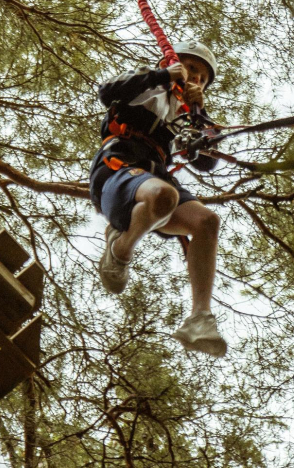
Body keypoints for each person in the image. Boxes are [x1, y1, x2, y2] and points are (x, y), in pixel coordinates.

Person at [89, 41, 227, 358]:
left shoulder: (185, 114)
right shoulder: (147, 83)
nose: (195, 78)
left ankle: (200, 318)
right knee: (164, 195)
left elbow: (206, 161)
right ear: (174, 62)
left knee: (206, 221)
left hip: (156, 176)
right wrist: (163, 76)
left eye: (203, 78)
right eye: (192, 68)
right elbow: (107, 92)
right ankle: (120, 249)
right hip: (118, 167)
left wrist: (200, 115)